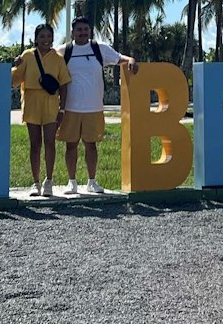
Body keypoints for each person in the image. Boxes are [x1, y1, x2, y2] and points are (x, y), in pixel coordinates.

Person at [56, 16, 138, 195]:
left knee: (91, 145)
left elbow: (120, 59)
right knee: (71, 145)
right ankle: (72, 182)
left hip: (94, 107)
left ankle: (92, 181)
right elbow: (43, 59)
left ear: (90, 31)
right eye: (79, 30)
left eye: (85, 29)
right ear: (72, 32)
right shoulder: (64, 51)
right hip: (70, 107)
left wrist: (131, 60)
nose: (82, 32)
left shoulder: (99, 49)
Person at [14, 24, 69, 198]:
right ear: (36, 38)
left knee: (50, 142)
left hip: (51, 103)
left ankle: (49, 181)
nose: (45, 40)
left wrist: (62, 109)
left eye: (48, 36)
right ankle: (35, 182)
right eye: (42, 37)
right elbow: (14, 78)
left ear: (52, 38)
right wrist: (14, 64)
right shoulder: (27, 56)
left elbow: (64, 85)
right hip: (31, 102)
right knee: (35, 144)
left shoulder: (58, 58)